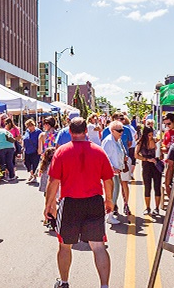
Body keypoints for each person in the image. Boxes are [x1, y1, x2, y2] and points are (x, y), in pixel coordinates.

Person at [44, 117, 114, 288]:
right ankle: (104, 285)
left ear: (69, 132)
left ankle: (64, 282)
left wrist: (48, 205)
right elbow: (108, 180)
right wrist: (109, 200)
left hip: (70, 203)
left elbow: (53, 181)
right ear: (86, 131)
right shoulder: (98, 151)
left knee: (65, 245)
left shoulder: (61, 152)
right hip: (94, 202)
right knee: (98, 246)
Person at [101, 120, 126, 222]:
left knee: (115, 192)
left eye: (122, 130)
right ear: (112, 131)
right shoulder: (108, 141)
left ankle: (110, 213)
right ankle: (109, 215)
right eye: (119, 130)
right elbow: (104, 157)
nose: (121, 133)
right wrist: (112, 167)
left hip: (116, 171)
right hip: (110, 172)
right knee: (111, 193)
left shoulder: (117, 140)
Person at [136, 126, 162, 216]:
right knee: (147, 187)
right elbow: (136, 155)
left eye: (151, 134)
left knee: (157, 186)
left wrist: (158, 150)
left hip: (156, 165)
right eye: (149, 135)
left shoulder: (156, 141)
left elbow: (161, 154)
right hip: (146, 166)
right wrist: (146, 159)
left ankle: (157, 208)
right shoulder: (141, 142)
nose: (151, 136)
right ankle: (147, 207)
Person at [37, 146, 56, 227]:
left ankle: (49, 219)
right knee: (52, 204)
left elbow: (39, 173)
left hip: (47, 187)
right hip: (51, 187)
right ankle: (51, 219)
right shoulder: (54, 164)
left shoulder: (44, 164)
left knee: (48, 202)